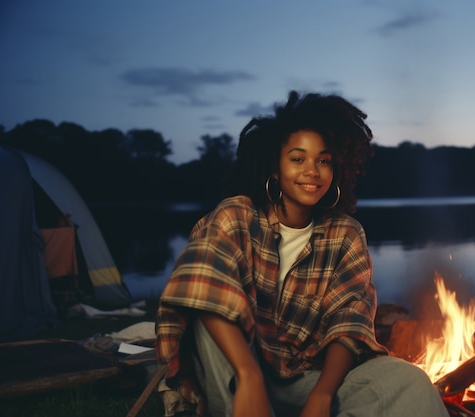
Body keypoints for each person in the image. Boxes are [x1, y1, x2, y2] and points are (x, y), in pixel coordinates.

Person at [156, 91, 449, 417]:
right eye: (298, 159)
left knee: (407, 380)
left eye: (323, 161)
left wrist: (322, 395)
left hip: (306, 378)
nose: (312, 170)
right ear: (276, 169)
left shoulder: (345, 234)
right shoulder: (236, 216)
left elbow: (348, 323)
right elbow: (200, 282)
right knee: (203, 313)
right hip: (235, 368)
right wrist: (249, 377)